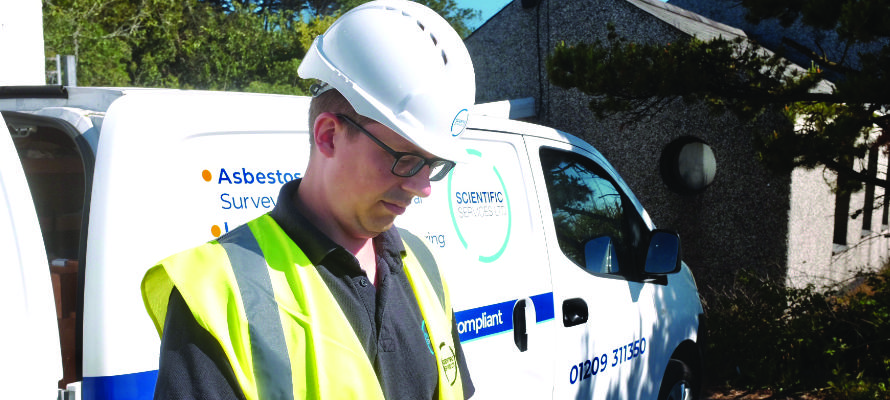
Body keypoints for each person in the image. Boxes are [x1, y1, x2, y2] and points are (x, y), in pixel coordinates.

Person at [140, 1, 476, 399]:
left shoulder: (423, 266)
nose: (423, 187)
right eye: (405, 159)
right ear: (329, 135)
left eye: (433, 164)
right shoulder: (218, 290)